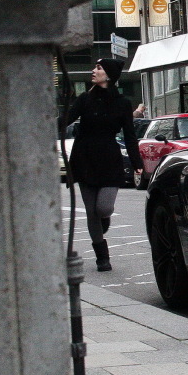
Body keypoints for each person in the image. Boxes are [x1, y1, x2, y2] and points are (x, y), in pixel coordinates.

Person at [64, 58, 141, 272]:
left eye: (99, 68)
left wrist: (137, 162)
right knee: (91, 212)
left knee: (103, 208)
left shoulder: (123, 103)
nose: (94, 70)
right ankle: (102, 257)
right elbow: (66, 120)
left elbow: (130, 134)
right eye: (95, 67)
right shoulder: (84, 99)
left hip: (109, 159)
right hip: (84, 158)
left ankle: (103, 218)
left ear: (109, 75)